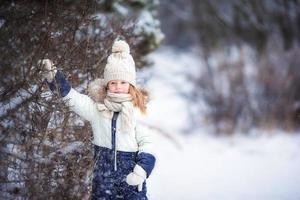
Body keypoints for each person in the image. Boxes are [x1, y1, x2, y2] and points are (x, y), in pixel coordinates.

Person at [40, 40, 156, 200]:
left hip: (131, 178)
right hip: (103, 178)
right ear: (107, 85)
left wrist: (141, 170)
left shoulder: (138, 110)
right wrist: (54, 79)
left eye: (123, 82)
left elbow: (147, 143)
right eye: (113, 82)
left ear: (131, 85)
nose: (118, 86)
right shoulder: (97, 109)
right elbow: (74, 99)